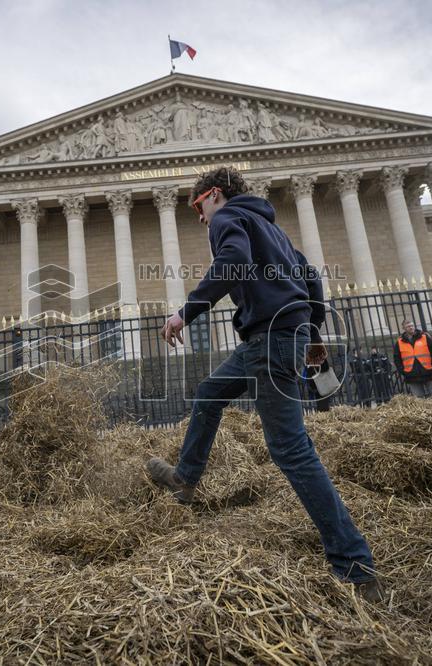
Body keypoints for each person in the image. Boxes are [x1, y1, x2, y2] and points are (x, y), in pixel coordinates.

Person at [147, 166, 382, 602]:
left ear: (214, 195)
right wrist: (310, 333)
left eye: (198, 206)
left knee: (291, 450)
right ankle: (186, 478)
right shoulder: (270, 227)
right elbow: (310, 277)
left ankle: (354, 564)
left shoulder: (226, 218)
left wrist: (186, 312)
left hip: (270, 339)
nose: (199, 218)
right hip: (272, 338)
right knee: (208, 395)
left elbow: (232, 263)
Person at [392, 320, 432, 398]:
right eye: (408, 326)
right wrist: (403, 371)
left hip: (429, 372)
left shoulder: (425, 337)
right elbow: (397, 359)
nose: (411, 327)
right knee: (419, 400)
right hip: (411, 375)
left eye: (412, 325)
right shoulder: (399, 342)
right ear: (404, 328)